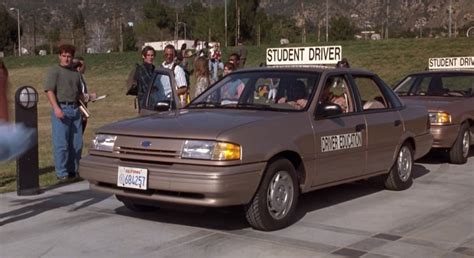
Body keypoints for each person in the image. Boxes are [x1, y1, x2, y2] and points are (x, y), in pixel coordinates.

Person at [44, 44, 83, 180]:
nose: (66, 59)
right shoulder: (54, 71)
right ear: (59, 56)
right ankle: (62, 173)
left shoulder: (75, 73)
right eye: (64, 56)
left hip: (75, 109)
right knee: (61, 144)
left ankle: (74, 170)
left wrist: (89, 98)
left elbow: (78, 94)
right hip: (62, 108)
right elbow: (49, 91)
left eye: (69, 56)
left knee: (76, 144)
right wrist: (56, 108)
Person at [71, 56, 96, 134]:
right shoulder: (73, 79)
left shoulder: (81, 78)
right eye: (82, 66)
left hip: (83, 110)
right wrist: (89, 97)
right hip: (77, 110)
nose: (84, 68)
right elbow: (76, 95)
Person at [136, 46, 156, 110]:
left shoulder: (153, 68)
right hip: (145, 102)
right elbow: (149, 86)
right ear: (143, 56)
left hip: (154, 100)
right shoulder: (141, 69)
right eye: (148, 55)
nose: (150, 57)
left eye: (152, 55)